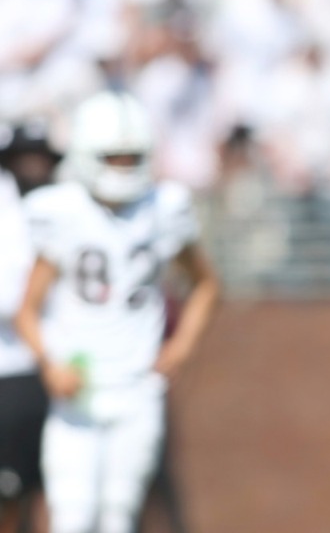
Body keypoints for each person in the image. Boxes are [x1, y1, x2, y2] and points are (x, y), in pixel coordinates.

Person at [14, 91, 220, 533]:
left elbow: (205, 285)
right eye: (114, 157)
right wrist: (50, 365)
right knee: (72, 514)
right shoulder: (63, 210)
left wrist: (181, 347)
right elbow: (27, 310)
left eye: (132, 157)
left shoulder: (164, 208)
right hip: (78, 387)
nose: (124, 167)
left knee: (118, 515)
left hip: (136, 385)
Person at [0, 119, 62, 533]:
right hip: (10, 370)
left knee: (54, 490)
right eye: (23, 158)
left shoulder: (64, 205)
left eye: (38, 157)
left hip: (58, 371)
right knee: (8, 490)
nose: (31, 167)